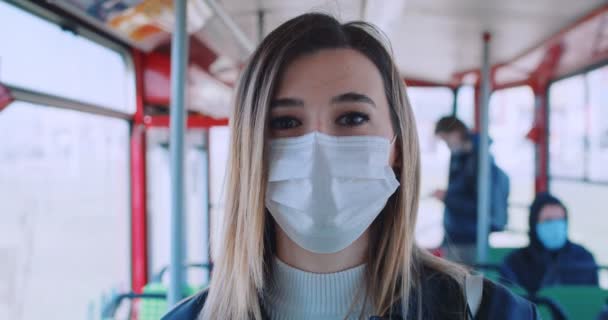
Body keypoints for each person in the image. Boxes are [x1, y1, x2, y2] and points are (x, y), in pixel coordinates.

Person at [163, 13, 538, 320]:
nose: (318, 150)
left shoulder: (486, 311)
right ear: (249, 152)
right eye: (286, 122)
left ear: (399, 149)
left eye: (352, 118)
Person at [433, 116, 509, 265]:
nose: (447, 146)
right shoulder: (460, 158)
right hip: (455, 234)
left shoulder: (480, 161)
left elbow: (480, 205)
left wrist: (447, 197)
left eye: (446, 140)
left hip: (470, 237)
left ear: (456, 133)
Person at [500, 193, 598, 293]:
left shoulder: (584, 258)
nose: (555, 226)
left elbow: (594, 299)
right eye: (548, 220)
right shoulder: (515, 262)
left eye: (560, 220)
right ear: (534, 224)